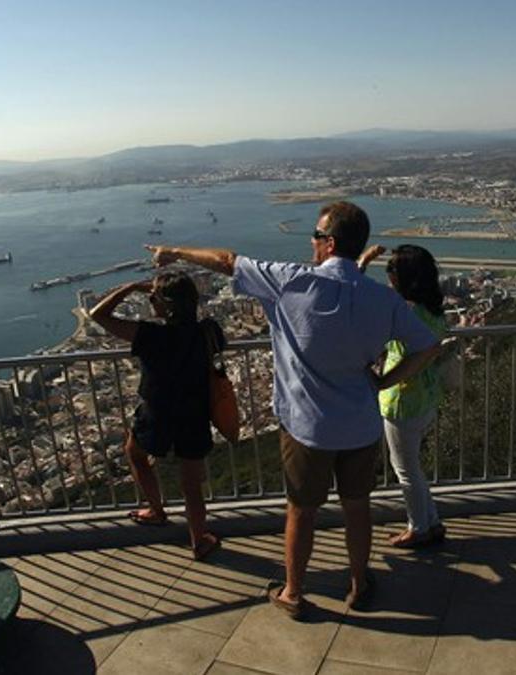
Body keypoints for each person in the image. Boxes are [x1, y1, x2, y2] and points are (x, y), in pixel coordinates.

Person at [144, 201, 439, 620]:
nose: (311, 242)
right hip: (360, 425)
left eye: (316, 236)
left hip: (308, 427)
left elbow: (227, 261)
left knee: (301, 511)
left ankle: (294, 592)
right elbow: (427, 346)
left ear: (329, 242)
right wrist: (383, 381)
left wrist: (174, 253)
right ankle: (359, 583)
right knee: (357, 509)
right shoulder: (382, 300)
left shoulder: (290, 282)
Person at [88, 271, 222, 560]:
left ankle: (156, 510)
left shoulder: (150, 334)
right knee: (191, 484)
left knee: (134, 453)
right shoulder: (208, 330)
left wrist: (131, 286)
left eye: (154, 297)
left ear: (168, 306)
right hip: (196, 412)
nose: (150, 299)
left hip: (157, 411)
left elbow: (97, 314)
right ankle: (199, 541)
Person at [358, 243, 448, 548]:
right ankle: (432, 522)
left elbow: (353, 293)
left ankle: (418, 528)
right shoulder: (432, 309)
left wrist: (382, 381)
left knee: (406, 471)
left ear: (405, 277)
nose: (388, 277)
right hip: (426, 398)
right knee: (414, 467)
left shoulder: (403, 312)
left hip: (402, 401)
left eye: (391, 270)